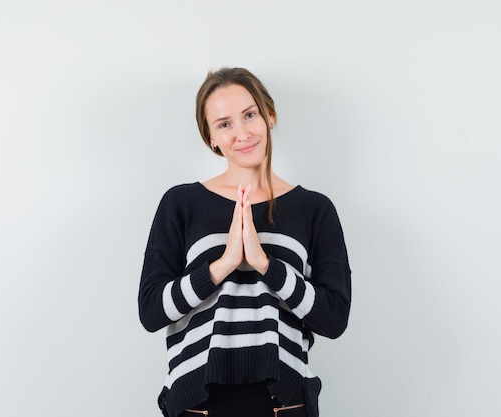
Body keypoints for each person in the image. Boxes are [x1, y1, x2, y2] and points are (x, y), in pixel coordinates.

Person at [138, 67, 351, 417]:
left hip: (284, 403)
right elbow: (151, 311)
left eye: (249, 115)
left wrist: (266, 265)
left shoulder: (315, 209)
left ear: (270, 115)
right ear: (211, 138)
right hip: (198, 403)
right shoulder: (181, 204)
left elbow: (333, 318)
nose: (242, 133)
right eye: (224, 124)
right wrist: (222, 265)